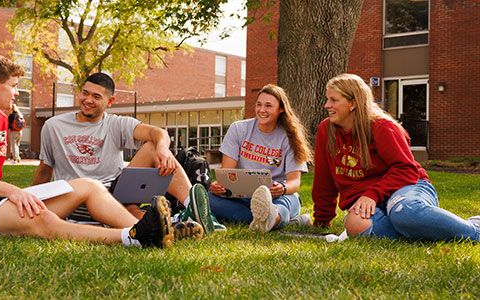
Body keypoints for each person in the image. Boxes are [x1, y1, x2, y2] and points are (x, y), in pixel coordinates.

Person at [0, 55, 201, 248]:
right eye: (14, 86)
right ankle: (132, 237)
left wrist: (20, 193)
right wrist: (14, 191)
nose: (16, 93)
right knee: (42, 220)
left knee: (89, 185)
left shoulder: (1, 120)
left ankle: (148, 228)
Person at [33, 72, 221, 234]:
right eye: (85, 93)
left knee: (154, 146)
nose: (88, 100)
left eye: (96, 97)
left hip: (116, 191)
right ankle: (170, 225)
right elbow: (44, 170)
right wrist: (31, 202)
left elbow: (158, 133)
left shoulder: (116, 123)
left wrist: (163, 150)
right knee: (134, 214)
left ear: (110, 101)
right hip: (77, 196)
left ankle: (196, 210)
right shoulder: (53, 126)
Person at [312, 73, 480, 241]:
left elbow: (407, 169)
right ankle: (421, 230)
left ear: (353, 103)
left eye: (334, 100)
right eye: (327, 99)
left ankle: (474, 230)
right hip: (368, 201)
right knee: (355, 224)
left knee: (404, 212)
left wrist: (373, 194)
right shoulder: (326, 130)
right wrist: (322, 219)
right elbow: (324, 177)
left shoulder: (382, 127)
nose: (327, 105)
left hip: (406, 187)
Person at [208, 84, 312, 233]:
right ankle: (277, 220)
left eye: (268, 106)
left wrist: (282, 189)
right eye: (259, 104)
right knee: (209, 200)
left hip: (277, 197)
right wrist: (219, 186)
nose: (262, 110)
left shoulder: (290, 137)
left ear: (281, 109)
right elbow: (227, 172)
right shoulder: (238, 129)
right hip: (241, 197)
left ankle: (273, 216)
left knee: (288, 202)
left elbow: (294, 183)